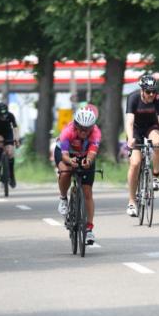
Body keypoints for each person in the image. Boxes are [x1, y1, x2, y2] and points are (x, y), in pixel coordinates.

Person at [125, 72, 159, 217]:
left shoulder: (158, 98)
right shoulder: (133, 98)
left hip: (152, 127)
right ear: (142, 90)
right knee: (135, 163)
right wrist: (130, 139)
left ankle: (156, 175)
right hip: (136, 129)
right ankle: (132, 201)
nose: (151, 94)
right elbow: (129, 122)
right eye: (148, 92)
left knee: (158, 143)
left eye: (153, 91)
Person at [55, 104, 101, 245]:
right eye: (81, 128)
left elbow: (92, 152)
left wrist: (88, 161)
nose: (83, 132)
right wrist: (71, 161)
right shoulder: (67, 132)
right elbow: (64, 155)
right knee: (66, 172)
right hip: (66, 154)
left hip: (85, 154)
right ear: (75, 124)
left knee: (87, 192)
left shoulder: (96, 133)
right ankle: (63, 198)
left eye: (87, 129)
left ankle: (89, 229)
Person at [0, 101, 20, 188]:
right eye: (1, 115)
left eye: (4, 114)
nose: (3, 117)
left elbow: (15, 128)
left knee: (10, 151)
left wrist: (17, 139)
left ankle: (12, 176)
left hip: (8, 132)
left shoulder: (10, 115)